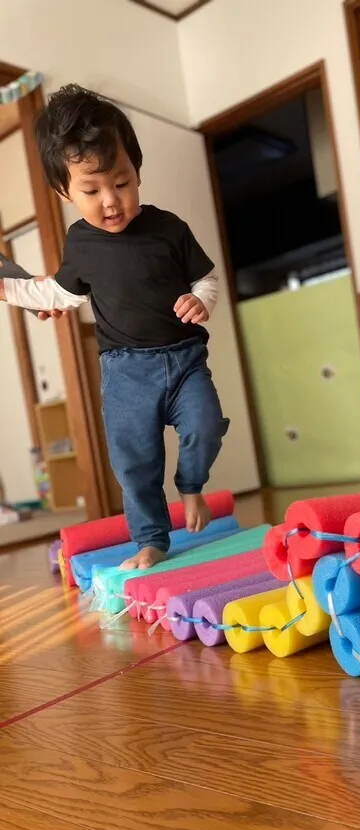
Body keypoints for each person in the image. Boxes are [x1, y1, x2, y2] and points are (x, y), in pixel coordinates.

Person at [0, 85, 229, 570]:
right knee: (134, 463)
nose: (111, 201)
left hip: (186, 359)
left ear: (137, 172)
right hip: (125, 373)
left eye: (122, 183)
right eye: (91, 190)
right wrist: (9, 289)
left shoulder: (168, 227)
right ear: (64, 191)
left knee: (205, 425)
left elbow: (206, 276)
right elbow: (58, 295)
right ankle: (151, 540)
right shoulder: (80, 244)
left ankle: (191, 488)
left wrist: (199, 299)